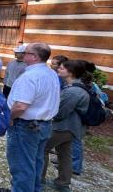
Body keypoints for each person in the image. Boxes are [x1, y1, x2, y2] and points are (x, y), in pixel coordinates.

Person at [6, 43, 60, 192]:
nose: (23, 54)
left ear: (35, 57)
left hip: (26, 126)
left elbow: (21, 106)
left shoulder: (31, 76)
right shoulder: (51, 73)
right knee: (36, 162)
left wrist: (10, 117)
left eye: (26, 52)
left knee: (22, 165)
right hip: (44, 125)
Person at [41, 60, 89, 192]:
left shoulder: (72, 92)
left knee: (43, 148)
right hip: (72, 128)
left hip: (63, 128)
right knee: (64, 154)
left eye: (61, 68)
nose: (58, 69)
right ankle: (63, 183)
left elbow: (60, 113)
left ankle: (39, 180)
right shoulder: (75, 88)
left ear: (70, 73)